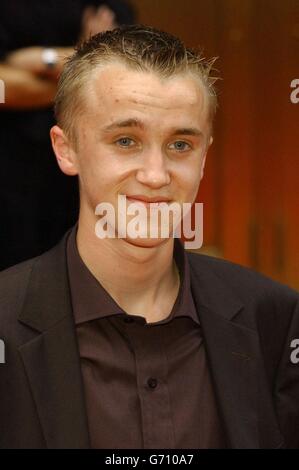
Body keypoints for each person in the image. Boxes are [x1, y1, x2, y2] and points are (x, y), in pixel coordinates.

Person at [0, 25, 298, 449]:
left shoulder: (277, 320)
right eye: (126, 140)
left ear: (204, 156)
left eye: (180, 145)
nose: (156, 176)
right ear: (66, 150)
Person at [0, 0, 136, 271]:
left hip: (85, 166)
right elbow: (2, 90)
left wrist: (37, 60)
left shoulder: (107, 5)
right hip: (9, 168)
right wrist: (82, 60)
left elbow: (119, 70)